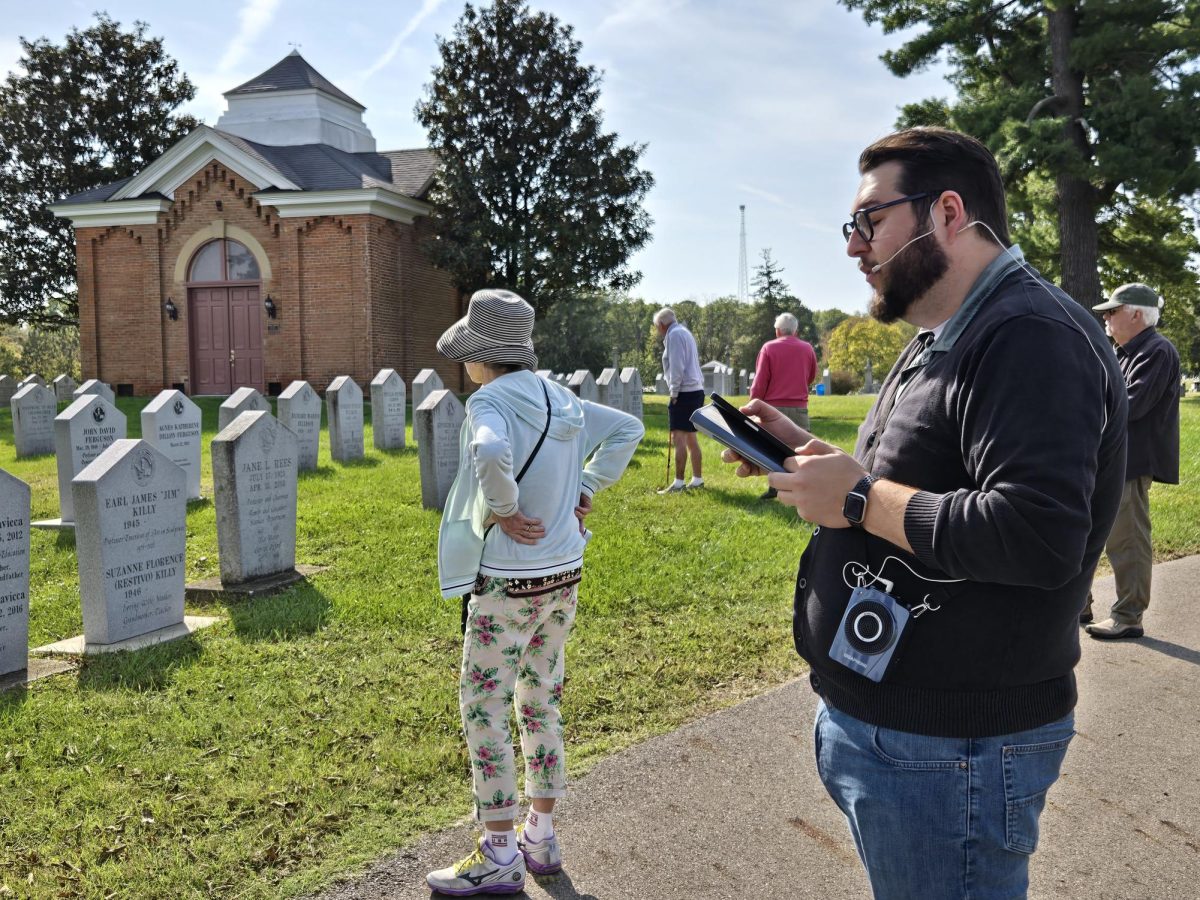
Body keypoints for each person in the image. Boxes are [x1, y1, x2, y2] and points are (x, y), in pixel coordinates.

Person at [722, 127, 1127, 898]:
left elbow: (1037, 533)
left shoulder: (1029, 336)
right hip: (906, 733)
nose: (853, 246)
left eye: (869, 222)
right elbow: (917, 474)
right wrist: (804, 453)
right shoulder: (945, 329)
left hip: (955, 746)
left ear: (947, 211)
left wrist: (854, 498)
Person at [427, 289, 643, 896]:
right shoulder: (560, 398)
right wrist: (587, 486)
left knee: (484, 707)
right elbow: (627, 427)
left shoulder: (490, 399)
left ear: (480, 357)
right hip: (563, 573)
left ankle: (498, 852)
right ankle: (540, 837)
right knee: (540, 698)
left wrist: (503, 508)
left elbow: (489, 449)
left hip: (508, 581)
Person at [1081, 283, 1181, 639]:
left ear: (1137, 314)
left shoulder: (1156, 350)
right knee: (1087, 533)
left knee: (1126, 539)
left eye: (1113, 311)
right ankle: (1079, 605)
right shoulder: (1123, 351)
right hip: (1107, 459)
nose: (1106, 318)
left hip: (1131, 461)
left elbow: (1129, 405)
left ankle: (1128, 617)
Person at [750, 311, 818, 499]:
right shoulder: (807, 348)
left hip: (773, 407)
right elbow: (811, 375)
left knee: (774, 448)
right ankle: (802, 486)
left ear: (778, 331)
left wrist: (754, 402)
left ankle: (776, 487)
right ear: (795, 331)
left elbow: (761, 380)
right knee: (801, 448)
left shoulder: (768, 348)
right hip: (799, 406)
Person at [653, 307, 706, 493]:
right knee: (691, 436)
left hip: (684, 392)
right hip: (696, 390)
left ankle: (678, 483)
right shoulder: (685, 332)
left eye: (657, 327)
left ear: (661, 325)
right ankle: (698, 479)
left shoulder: (674, 335)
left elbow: (677, 366)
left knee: (679, 438)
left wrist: (674, 393)